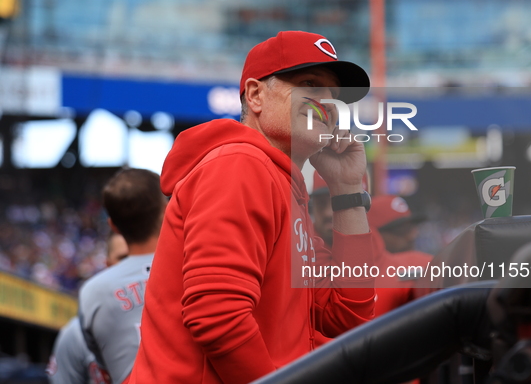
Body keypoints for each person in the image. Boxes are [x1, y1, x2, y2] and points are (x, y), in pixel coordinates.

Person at [128, 31, 375, 384]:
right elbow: (217, 317)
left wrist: (348, 190)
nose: (327, 104)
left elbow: (347, 315)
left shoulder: (283, 185)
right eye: (310, 84)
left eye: (334, 96)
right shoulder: (240, 165)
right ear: (256, 95)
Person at [78, 168, 167, 384]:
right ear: (166, 212)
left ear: (113, 225)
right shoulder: (192, 267)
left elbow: (103, 369)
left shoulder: (92, 292)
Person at [46, 233, 129, 384]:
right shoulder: (75, 334)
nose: (131, 266)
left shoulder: (168, 320)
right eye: (123, 258)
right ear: (108, 264)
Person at [367, 195, 432, 316]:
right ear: (374, 234)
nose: (412, 236)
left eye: (412, 228)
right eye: (401, 231)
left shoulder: (425, 263)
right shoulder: (359, 278)